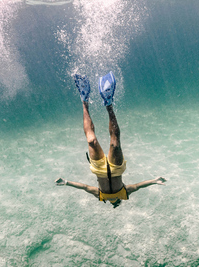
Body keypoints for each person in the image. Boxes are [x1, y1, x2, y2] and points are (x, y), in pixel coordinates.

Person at [55, 72, 166, 208]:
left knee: (91, 141)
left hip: (99, 169)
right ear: (119, 202)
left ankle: (84, 101)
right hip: (117, 169)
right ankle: (108, 104)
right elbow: (138, 186)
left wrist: (66, 182)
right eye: (116, 202)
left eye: (113, 202)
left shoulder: (100, 196)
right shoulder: (125, 194)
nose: (115, 201)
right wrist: (154, 181)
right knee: (115, 144)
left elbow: (84, 187)